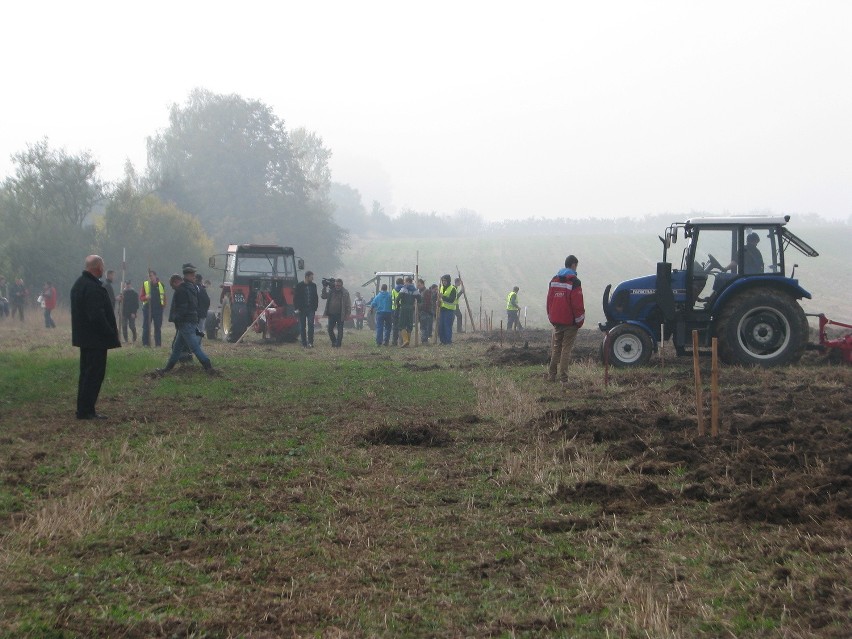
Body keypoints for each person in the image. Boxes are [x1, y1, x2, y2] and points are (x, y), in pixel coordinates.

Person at [70, 255, 121, 419]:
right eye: (102, 266)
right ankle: (86, 411)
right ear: (97, 267)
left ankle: (83, 409)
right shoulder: (92, 288)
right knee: (93, 375)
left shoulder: (79, 284)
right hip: (95, 339)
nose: (103, 269)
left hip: (85, 339)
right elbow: (96, 316)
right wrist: (110, 332)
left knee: (86, 374)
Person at [156, 273, 214, 375]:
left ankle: (208, 366)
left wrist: (176, 318)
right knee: (177, 348)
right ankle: (167, 369)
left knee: (195, 347)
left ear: (175, 282)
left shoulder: (181, 291)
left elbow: (182, 309)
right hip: (189, 321)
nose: (173, 288)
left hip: (185, 323)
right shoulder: (190, 288)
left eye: (172, 286)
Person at [546, 255, 585, 384]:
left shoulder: (554, 280)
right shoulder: (574, 282)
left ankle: (551, 376)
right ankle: (564, 379)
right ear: (573, 265)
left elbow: (549, 301)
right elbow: (577, 305)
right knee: (566, 349)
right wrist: (580, 321)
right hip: (570, 322)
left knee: (556, 348)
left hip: (556, 321)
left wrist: (551, 317)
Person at [321, 278, 351, 348]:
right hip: (331, 314)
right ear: (335, 284)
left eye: (339, 285)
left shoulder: (345, 292)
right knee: (329, 329)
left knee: (340, 330)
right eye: (336, 285)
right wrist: (324, 287)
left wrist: (347, 314)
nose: (337, 287)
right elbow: (323, 296)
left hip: (340, 314)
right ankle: (334, 341)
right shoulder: (331, 291)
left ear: (342, 285)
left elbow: (348, 304)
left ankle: (338, 344)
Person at [140, 270, 166, 347]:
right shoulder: (145, 284)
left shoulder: (161, 285)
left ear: (155, 276)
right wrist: (146, 297)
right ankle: (146, 344)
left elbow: (164, 297)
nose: (150, 277)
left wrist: (163, 306)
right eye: (149, 276)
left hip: (158, 309)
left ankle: (158, 344)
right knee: (146, 327)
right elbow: (141, 297)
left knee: (157, 327)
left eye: (151, 275)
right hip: (147, 309)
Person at [294, 271, 319, 348]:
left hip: (311, 309)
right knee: (302, 326)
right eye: (311, 277)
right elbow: (295, 298)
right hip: (302, 309)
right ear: (307, 277)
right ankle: (304, 343)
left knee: (311, 325)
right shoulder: (299, 285)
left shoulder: (314, 285)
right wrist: (297, 308)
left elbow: (316, 297)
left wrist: (315, 307)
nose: (313, 278)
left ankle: (310, 342)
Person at [396, 276, 421, 347]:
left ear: (407, 281)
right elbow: (420, 300)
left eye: (405, 281)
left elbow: (397, 299)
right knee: (409, 325)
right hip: (411, 309)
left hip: (403, 308)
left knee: (402, 325)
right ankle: (407, 343)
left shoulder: (403, 289)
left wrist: (398, 306)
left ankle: (405, 340)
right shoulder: (415, 290)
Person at [438, 274, 458, 345]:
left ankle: (448, 341)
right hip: (442, 309)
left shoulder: (453, 289)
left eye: (445, 281)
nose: (444, 282)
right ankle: (442, 341)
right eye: (443, 281)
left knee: (447, 326)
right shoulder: (441, 288)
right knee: (441, 326)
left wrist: (442, 297)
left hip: (449, 310)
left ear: (448, 281)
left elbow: (451, 300)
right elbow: (440, 298)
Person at [194, 271, 211, 339]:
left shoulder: (192, 287)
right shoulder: (202, 289)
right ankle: (197, 343)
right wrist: (205, 309)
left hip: (194, 313)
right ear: (201, 280)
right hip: (202, 312)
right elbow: (207, 301)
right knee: (200, 329)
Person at [417, 279, 434, 344]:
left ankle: (424, 340)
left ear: (423, 284)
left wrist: (419, 306)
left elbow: (426, 303)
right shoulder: (419, 291)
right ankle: (424, 340)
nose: (418, 286)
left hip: (425, 311)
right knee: (422, 326)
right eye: (417, 285)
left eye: (419, 285)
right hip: (422, 311)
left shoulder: (426, 292)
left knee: (424, 327)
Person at [391, 277, 404, 346]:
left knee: (395, 326)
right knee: (402, 326)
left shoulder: (393, 290)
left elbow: (392, 299)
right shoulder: (404, 289)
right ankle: (401, 341)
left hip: (394, 309)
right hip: (402, 309)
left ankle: (394, 341)